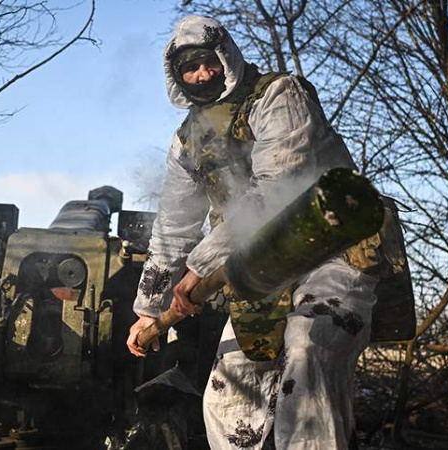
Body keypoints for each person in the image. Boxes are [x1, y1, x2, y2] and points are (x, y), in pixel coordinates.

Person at [126, 16, 378, 450]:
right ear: (177, 77)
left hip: (330, 250)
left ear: (227, 57)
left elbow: (277, 188)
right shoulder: (186, 142)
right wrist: (149, 308)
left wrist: (201, 265)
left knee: (308, 348)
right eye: (191, 68)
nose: (202, 74)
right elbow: (174, 224)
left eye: (208, 62)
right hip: (256, 269)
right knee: (230, 388)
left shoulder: (279, 96)